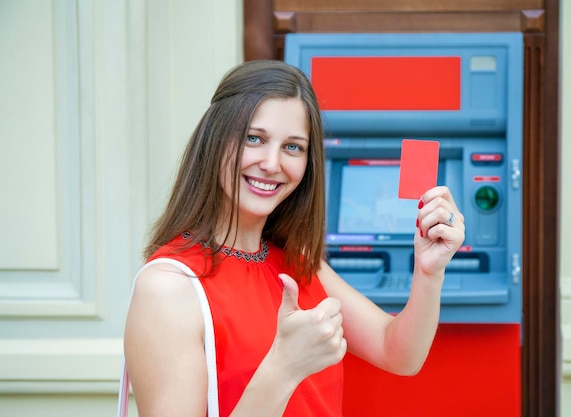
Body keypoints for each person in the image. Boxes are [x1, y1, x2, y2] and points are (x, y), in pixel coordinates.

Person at [123, 59, 465, 417]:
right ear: (214, 140)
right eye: (254, 139)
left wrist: (429, 272)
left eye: (293, 147)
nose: (272, 163)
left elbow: (398, 353)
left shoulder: (299, 262)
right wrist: (283, 368)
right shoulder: (168, 287)